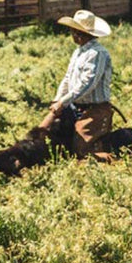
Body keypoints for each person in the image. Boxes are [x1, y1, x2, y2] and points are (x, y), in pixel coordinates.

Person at [38, 10, 114, 160]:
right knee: (43, 131)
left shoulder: (97, 53)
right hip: (74, 106)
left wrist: (63, 101)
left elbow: (87, 84)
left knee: (81, 149)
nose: (71, 33)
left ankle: (112, 149)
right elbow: (68, 78)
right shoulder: (79, 52)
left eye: (73, 30)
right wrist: (58, 99)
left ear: (78, 33)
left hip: (95, 109)